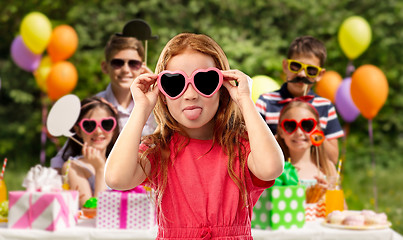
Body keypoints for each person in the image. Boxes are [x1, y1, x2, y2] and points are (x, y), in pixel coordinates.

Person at [105, 33, 284, 238]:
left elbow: (271, 168)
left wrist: (244, 100)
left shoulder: (240, 146)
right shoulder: (159, 149)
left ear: (222, 88)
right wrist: (142, 109)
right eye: (175, 84)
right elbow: (116, 178)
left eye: (204, 81)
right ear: (162, 94)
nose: (190, 94)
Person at [51, 34, 157, 172]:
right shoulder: (93, 108)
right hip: (104, 188)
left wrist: (157, 92)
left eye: (133, 63)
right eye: (117, 63)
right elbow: (61, 160)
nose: (126, 69)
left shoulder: (156, 106)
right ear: (105, 67)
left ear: (142, 67)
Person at [256, 36, 344, 164]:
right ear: (285, 66)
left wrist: (312, 128)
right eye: (296, 66)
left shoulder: (325, 106)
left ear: (320, 75)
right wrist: (284, 134)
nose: (302, 74)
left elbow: (332, 159)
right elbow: (254, 148)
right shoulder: (266, 102)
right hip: (277, 180)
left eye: (311, 70)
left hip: (313, 180)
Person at [61, 97, 120, 207]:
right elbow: (93, 211)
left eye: (106, 124)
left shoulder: (119, 165)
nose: (98, 131)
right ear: (78, 130)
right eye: (89, 125)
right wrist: (100, 169)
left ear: (114, 128)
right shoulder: (73, 167)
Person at [276, 98, 337, 187]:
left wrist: (328, 193)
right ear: (281, 131)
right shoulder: (277, 170)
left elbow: (340, 200)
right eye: (290, 126)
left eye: (307, 125)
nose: (299, 133)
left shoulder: (327, 167)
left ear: (318, 129)